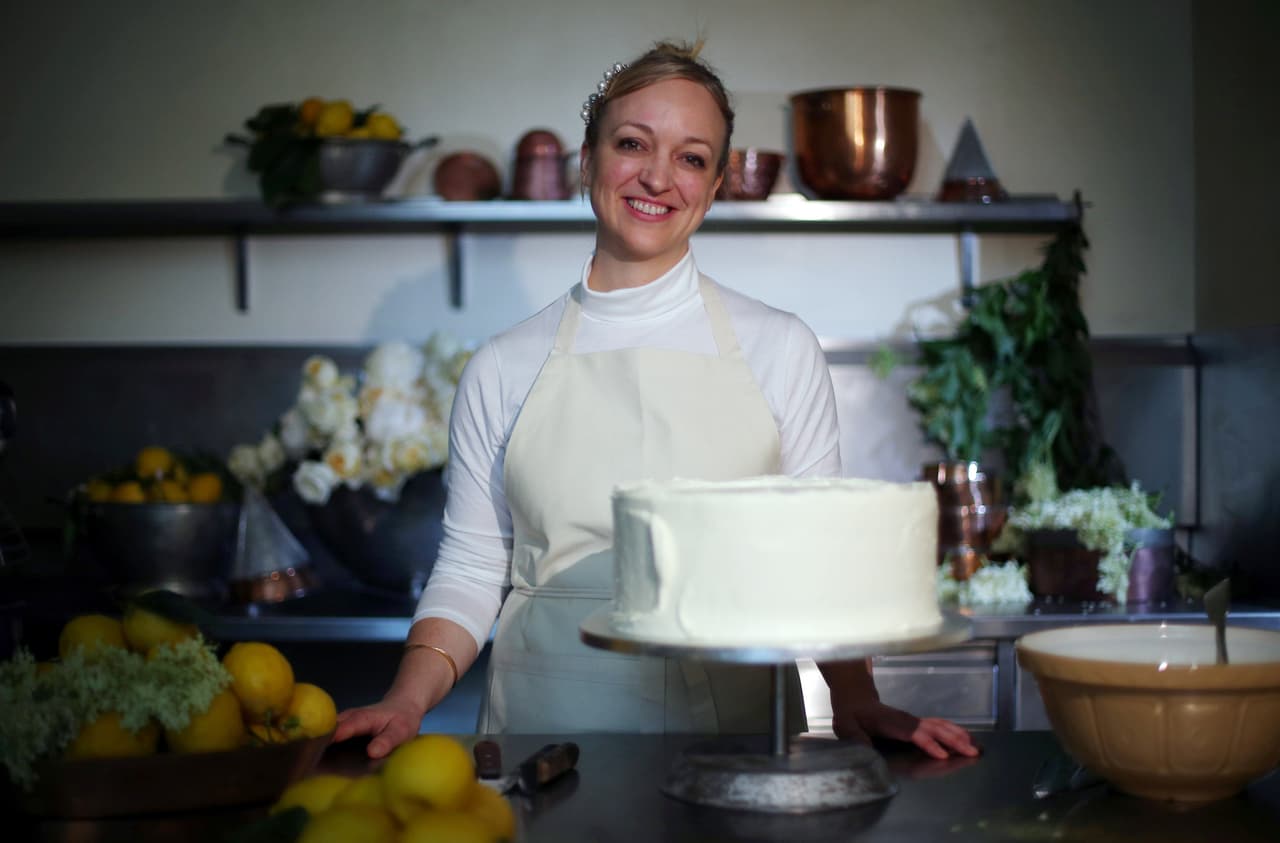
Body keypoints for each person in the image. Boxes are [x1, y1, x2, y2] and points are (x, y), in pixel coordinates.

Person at [334, 40, 978, 761]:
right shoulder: (502, 365)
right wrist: (405, 700)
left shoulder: (780, 347)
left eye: (691, 157)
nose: (658, 177)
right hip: (548, 732)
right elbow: (472, 568)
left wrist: (857, 699)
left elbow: (815, 557)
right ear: (587, 159)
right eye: (633, 144)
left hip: (739, 732)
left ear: (715, 184)